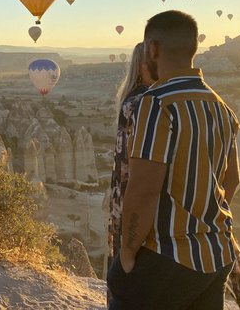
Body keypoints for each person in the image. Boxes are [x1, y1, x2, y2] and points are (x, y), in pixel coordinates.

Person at [107, 10, 239, 310]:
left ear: (152, 48)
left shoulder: (156, 103)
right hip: (217, 253)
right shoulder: (220, 105)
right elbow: (232, 179)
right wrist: (202, 218)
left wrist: (127, 253)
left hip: (167, 255)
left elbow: (143, 189)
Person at [105, 42, 155, 305]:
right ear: (140, 66)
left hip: (127, 204)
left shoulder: (136, 99)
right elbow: (136, 171)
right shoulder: (141, 102)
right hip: (134, 204)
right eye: (151, 61)